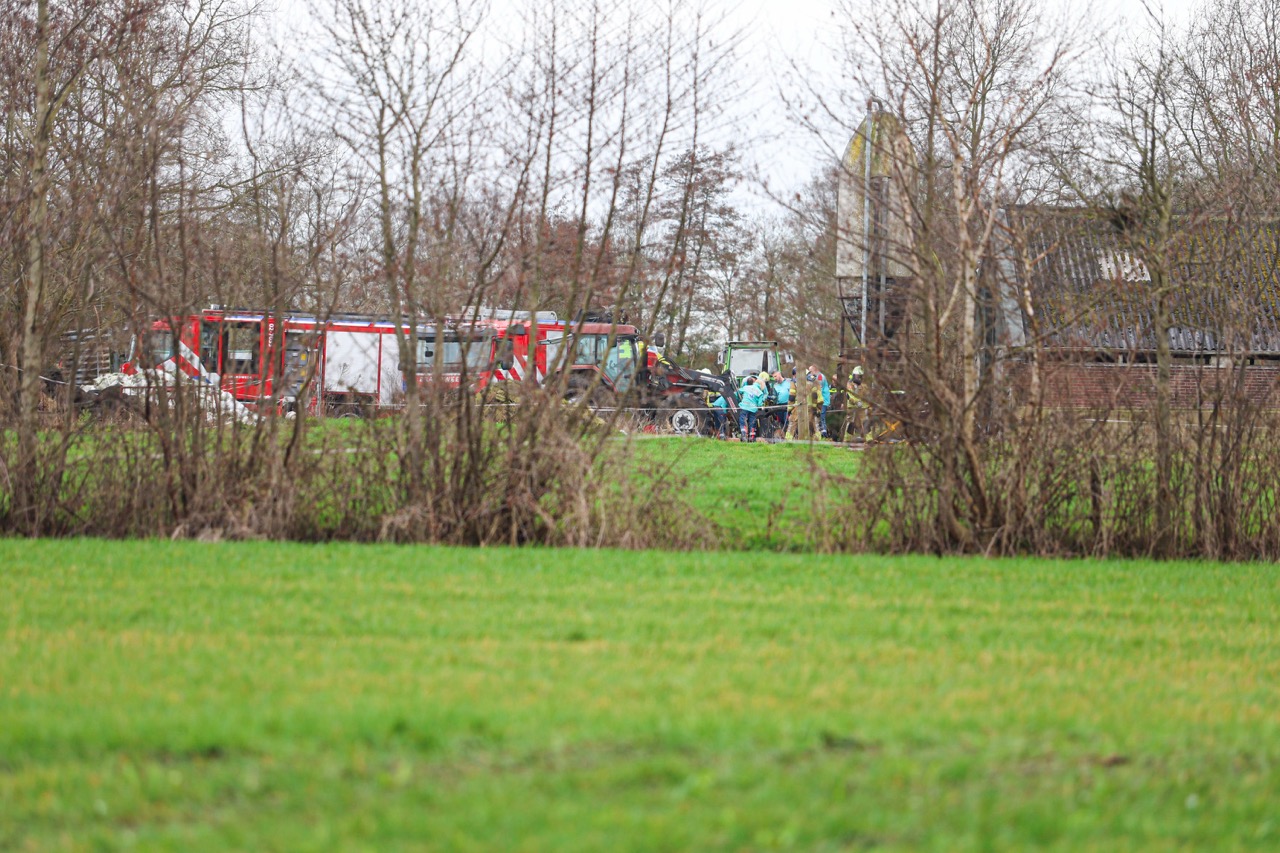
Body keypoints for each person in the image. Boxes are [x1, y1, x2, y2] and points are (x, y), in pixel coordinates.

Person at [839, 365, 871, 442]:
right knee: (851, 423)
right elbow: (849, 396)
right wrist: (856, 402)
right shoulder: (849, 384)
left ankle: (869, 439)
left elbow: (867, 394)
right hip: (852, 406)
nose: (858, 377)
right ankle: (847, 440)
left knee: (865, 421)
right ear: (853, 375)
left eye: (860, 376)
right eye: (857, 376)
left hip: (862, 407)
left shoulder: (864, 385)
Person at [737, 375, 766, 442]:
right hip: (753, 409)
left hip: (744, 406)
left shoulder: (746, 387)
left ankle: (744, 435)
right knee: (752, 422)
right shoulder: (760, 392)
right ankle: (751, 437)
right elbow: (759, 404)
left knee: (742, 420)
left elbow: (738, 392)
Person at [806, 364, 831, 438]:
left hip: (823, 400)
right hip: (820, 400)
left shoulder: (820, 377)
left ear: (815, 370)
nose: (810, 373)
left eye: (810, 371)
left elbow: (818, 387)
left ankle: (824, 432)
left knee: (821, 416)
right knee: (819, 416)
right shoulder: (816, 377)